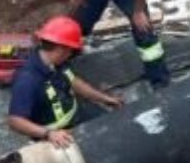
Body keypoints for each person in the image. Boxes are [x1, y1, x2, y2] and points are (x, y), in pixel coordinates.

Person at [8, 16, 122, 147]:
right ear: (61, 50)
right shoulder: (27, 79)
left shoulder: (57, 63)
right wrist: (48, 134)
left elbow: (74, 82)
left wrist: (105, 99)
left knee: (114, 128)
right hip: (56, 134)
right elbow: (15, 121)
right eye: (70, 51)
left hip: (77, 113)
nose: (70, 55)